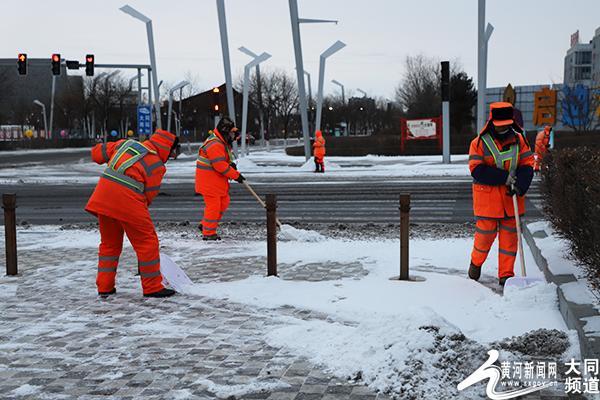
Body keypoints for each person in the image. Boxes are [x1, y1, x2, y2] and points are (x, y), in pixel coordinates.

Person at [85, 130, 179, 298]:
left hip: (103, 197)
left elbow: (96, 154)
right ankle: (152, 288)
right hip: (128, 201)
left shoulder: (126, 144)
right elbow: (147, 196)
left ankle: (105, 287)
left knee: (109, 244)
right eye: (173, 151)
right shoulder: (156, 165)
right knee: (147, 241)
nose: (172, 155)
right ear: (167, 147)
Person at [467, 102, 535, 286]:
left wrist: (520, 186)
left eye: (507, 123)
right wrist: (504, 177)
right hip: (488, 201)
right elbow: (476, 169)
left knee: (510, 241)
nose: (504, 127)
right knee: (484, 237)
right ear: (492, 122)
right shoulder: (479, 143)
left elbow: (528, 165)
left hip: (512, 199)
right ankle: (476, 263)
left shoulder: (520, 140)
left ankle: (506, 275)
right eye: (500, 124)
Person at [195, 117, 245, 240]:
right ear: (225, 131)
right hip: (209, 183)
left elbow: (223, 161)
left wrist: (230, 165)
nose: (233, 136)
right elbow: (220, 165)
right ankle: (208, 233)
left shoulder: (221, 141)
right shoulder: (215, 144)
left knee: (224, 201)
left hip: (216, 182)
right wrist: (236, 175)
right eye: (232, 133)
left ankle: (206, 225)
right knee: (214, 206)